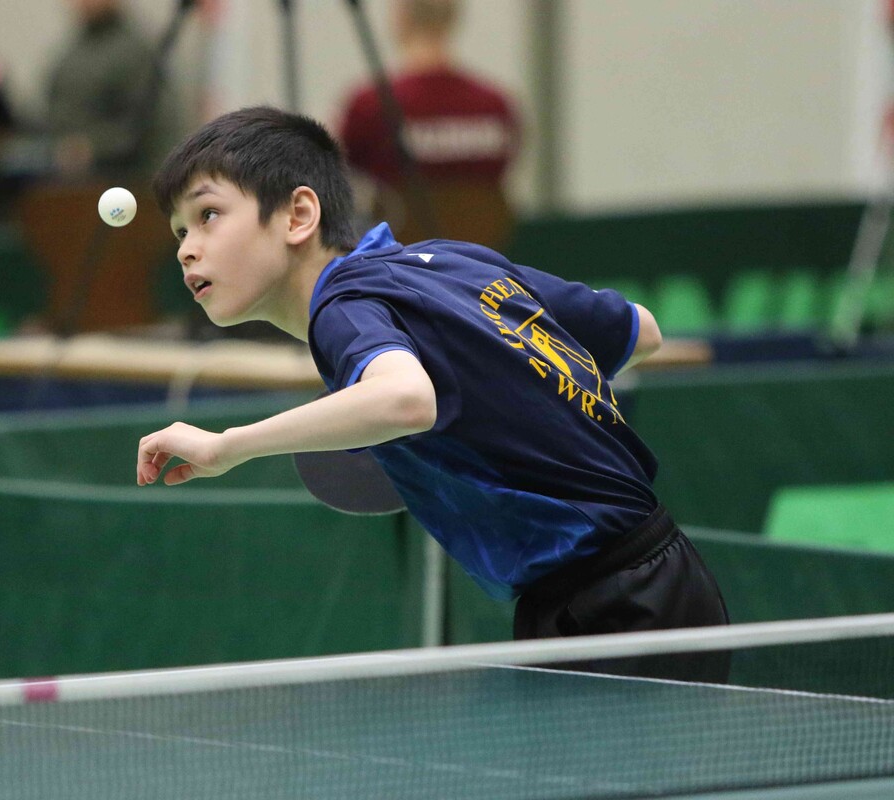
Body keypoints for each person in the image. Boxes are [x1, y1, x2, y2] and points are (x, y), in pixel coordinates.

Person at [135, 107, 730, 683]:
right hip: (647, 579)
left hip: (616, 606)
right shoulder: (452, 264)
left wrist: (230, 446)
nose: (187, 247)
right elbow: (641, 331)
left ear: (298, 215)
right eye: (180, 230)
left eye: (209, 215)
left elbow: (405, 401)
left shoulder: (342, 309)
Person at [337, 0, 520, 193]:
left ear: (400, 18)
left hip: (395, 214)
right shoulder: (497, 108)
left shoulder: (369, 107)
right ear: (452, 17)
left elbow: (335, 173)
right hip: (480, 215)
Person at [44, 0, 184, 177]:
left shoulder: (135, 51)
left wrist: (91, 147)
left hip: (119, 177)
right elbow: (51, 114)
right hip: (62, 174)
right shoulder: (70, 53)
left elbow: (141, 127)